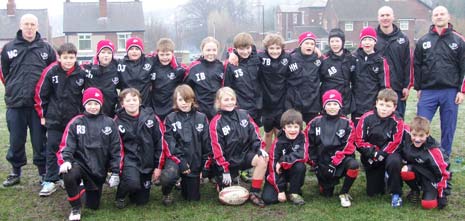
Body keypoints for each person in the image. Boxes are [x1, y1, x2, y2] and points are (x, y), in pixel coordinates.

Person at [1, 14, 57, 187]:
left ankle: (42, 172)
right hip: (15, 104)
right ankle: (15, 172)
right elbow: (4, 73)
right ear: (20, 25)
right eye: (26, 24)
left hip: (37, 105)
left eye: (32, 24)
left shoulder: (46, 48)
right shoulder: (9, 48)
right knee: (16, 139)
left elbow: (53, 72)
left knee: (39, 140)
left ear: (37, 26)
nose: (29, 27)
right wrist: (12, 87)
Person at [57, 87, 122, 221]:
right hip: (80, 165)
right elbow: (66, 145)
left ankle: (81, 187)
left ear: (101, 104)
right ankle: (75, 208)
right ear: (84, 104)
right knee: (68, 174)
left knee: (93, 205)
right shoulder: (76, 122)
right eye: (90, 103)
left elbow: (116, 149)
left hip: (98, 170)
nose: (93, 107)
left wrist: (115, 171)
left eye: (96, 103)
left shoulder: (109, 123)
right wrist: (66, 160)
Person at [34, 43, 85, 196]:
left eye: (71, 57)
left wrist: (82, 116)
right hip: (55, 118)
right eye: (65, 57)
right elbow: (40, 94)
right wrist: (42, 115)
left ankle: (70, 176)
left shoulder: (81, 73)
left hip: (74, 120)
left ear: (76, 58)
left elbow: (86, 95)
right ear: (59, 58)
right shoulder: (51, 72)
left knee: (75, 149)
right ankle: (50, 180)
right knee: (52, 148)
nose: (68, 60)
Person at [414, 5, 465, 156]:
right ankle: (420, 155)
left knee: (448, 127)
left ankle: (444, 157)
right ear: (432, 18)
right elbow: (417, 65)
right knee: (420, 125)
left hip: (450, 91)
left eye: (442, 14)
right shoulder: (423, 40)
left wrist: (462, 91)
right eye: (436, 14)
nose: (439, 16)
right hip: (428, 91)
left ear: (448, 17)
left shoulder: (459, 40)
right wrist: (418, 88)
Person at [209, 87, 268, 207]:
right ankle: (223, 179)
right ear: (218, 103)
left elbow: (255, 134)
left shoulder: (244, 115)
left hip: (245, 155)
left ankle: (254, 192)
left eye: (232, 99)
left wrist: (259, 148)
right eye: (226, 100)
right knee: (224, 193)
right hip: (227, 161)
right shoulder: (216, 122)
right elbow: (216, 149)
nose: (230, 102)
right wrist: (224, 169)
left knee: (263, 159)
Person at [306, 90, 359, 208]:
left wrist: (336, 160)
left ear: (340, 105)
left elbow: (349, 144)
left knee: (354, 165)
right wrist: (314, 163)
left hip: (341, 159)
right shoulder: (315, 122)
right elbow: (308, 144)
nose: (332, 107)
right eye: (329, 104)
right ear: (324, 106)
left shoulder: (347, 123)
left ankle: (344, 192)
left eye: (335, 104)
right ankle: (324, 182)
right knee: (326, 194)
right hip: (323, 161)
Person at [160, 84, 212, 205]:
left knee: (192, 198)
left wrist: (205, 166)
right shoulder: (170, 118)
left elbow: (207, 144)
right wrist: (181, 162)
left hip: (195, 160)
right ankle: (167, 192)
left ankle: (184, 182)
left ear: (193, 100)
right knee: (169, 176)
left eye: (187, 99)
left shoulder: (202, 118)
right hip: (176, 159)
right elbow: (169, 144)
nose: (184, 103)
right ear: (175, 101)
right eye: (180, 100)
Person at [114, 88, 164, 208]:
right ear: (122, 104)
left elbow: (160, 142)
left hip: (147, 162)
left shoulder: (151, 117)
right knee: (133, 183)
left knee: (141, 201)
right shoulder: (117, 121)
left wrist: (158, 166)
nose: (131, 103)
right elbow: (115, 147)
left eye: (134, 99)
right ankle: (120, 195)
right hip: (129, 161)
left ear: (140, 101)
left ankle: (134, 189)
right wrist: (117, 168)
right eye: (128, 100)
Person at [355, 89, 404, 208]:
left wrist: (382, 153)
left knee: (394, 162)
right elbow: (358, 140)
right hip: (371, 156)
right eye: (381, 104)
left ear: (394, 107)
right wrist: (373, 153)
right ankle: (384, 177)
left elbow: (396, 141)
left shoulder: (398, 121)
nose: (384, 108)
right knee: (374, 193)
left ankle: (396, 193)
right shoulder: (366, 118)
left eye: (388, 106)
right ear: (376, 103)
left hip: (389, 155)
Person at [400, 116, 450, 210]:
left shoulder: (434, 151)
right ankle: (415, 190)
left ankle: (430, 191)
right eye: (414, 135)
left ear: (427, 134)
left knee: (428, 205)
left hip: (430, 178)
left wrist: (442, 195)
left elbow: (445, 174)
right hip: (417, 171)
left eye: (421, 136)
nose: (417, 139)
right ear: (410, 132)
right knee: (405, 170)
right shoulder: (407, 142)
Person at [262, 109, 308, 205]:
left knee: (300, 166)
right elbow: (272, 167)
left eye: (296, 127)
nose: (292, 130)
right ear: (283, 128)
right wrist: (281, 190)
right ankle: (283, 187)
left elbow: (303, 155)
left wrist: (282, 161)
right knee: (269, 199)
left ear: (300, 127)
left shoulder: (302, 137)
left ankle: (294, 192)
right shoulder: (278, 142)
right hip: (278, 173)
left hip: (292, 171)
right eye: (289, 126)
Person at [258, 33, 295, 150]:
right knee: (268, 133)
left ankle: (278, 157)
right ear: (266, 48)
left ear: (282, 48)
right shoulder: (261, 57)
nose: (275, 51)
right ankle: (267, 157)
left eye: (278, 48)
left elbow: (299, 54)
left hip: (281, 103)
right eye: (271, 48)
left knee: (279, 132)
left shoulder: (287, 58)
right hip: (267, 104)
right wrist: (233, 53)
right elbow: (247, 54)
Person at [376, 6, 412, 118]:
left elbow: (408, 63)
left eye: (388, 15)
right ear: (378, 18)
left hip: (397, 88)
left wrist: (407, 86)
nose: (385, 18)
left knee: (397, 120)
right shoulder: (372, 38)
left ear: (393, 17)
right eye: (382, 15)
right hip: (376, 87)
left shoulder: (403, 38)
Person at [352, 26, 390, 126]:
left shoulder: (381, 61)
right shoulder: (353, 58)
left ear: (375, 42)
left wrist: (381, 104)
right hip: (357, 104)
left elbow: (385, 86)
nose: (367, 42)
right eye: (364, 39)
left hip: (373, 104)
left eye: (370, 39)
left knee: (372, 131)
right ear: (361, 42)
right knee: (357, 131)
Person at [223, 32, 262, 126]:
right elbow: (228, 87)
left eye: (247, 48)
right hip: (241, 107)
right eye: (241, 49)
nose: (245, 52)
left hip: (258, 106)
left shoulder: (257, 59)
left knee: (255, 135)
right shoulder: (231, 64)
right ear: (235, 49)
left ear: (251, 47)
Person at [184, 37, 224, 120]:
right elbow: (186, 89)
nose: (211, 53)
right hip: (199, 112)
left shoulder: (221, 66)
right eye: (208, 50)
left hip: (217, 111)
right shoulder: (194, 67)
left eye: (214, 50)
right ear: (202, 50)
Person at [320, 28, 356, 116]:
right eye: (332, 41)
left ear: (342, 42)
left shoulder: (351, 59)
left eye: (337, 41)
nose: (335, 44)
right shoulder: (324, 60)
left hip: (345, 101)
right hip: (329, 102)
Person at [287, 32, 321, 123]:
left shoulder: (319, 60)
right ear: (300, 44)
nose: (309, 46)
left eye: (312, 44)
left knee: (312, 132)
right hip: (295, 103)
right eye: (306, 43)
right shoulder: (290, 59)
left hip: (313, 103)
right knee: (295, 130)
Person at [82, 39, 121, 117]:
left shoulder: (117, 69)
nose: (106, 55)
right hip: (90, 112)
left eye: (109, 53)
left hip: (110, 112)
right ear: (98, 54)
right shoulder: (87, 69)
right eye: (103, 52)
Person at [150, 38, 185, 120]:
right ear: (157, 53)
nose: (165, 57)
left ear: (172, 53)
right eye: (162, 55)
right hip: (155, 106)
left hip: (171, 107)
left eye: (167, 54)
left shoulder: (177, 69)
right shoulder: (152, 65)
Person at [118, 36, 154, 107]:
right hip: (126, 105)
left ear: (141, 50)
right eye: (131, 49)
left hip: (145, 105)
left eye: (137, 49)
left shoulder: (150, 61)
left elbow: (165, 53)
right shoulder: (119, 64)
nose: (134, 51)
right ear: (127, 51)